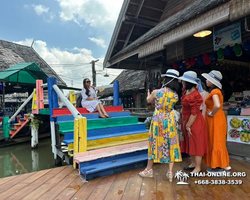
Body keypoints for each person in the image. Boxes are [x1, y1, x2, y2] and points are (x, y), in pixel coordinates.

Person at [139, 69, 182, 182]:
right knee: (171, 143)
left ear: (166, 79)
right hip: (170, 120)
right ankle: (170, 172)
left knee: (154, 142)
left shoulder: (156, 92)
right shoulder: (176, 95)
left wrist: (149, 93)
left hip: (158, 120)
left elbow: (149, 100)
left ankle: (149, 170)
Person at [178, 71, 208, 174]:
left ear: (188, 82)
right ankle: (193, 163)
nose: (182, 82)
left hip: (194, 122)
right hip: (187, 120)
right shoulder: (186, 91)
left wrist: (188, 125)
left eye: (183, 81)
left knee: (196, 144)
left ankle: (198, 167)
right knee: (190, 142)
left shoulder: (195, 94)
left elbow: (194, 113)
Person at [202, 70, 230, 172]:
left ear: (213, 82)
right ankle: (223, 163)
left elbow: (217, 105)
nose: (206, 81)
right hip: (219, 118)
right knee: (219, 141)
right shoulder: (217, 92)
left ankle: (218, 166)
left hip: (215, 119)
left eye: (208, 79)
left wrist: (212, 113)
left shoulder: (214, 92)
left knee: (215, 141)